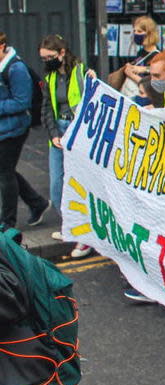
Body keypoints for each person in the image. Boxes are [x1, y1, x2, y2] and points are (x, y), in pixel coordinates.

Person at [38, 34, 94, 258]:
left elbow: (92, 101)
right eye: (43, 58)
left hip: (78, 134)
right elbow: (47, 109)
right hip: (59, 134)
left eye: (49, 57)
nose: (46, 62)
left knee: (81, 186)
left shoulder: (81, 72)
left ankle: (85, 238)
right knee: (56, 186)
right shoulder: (51, 76)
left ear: (62, 53)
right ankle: (71, 227)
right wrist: (53, 135)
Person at [0, 31, 49, 229]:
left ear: (2, 46)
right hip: (3, 128)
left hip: (14, 129)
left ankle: (8, 223)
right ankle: (38, 203)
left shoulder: (16, 68)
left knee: (5, 174)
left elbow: (22, 102)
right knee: (5, 171)